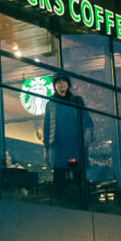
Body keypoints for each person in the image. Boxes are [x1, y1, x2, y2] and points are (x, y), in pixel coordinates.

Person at [42, 74, 89, 203]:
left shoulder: (77, 100)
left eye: (64, 82)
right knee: (59, 176)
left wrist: (86, 138)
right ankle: (60, 202)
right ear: (54, 86)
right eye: (58, 83)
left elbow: (87, 121)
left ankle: (81, 201)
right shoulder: (50, 104)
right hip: (58, 146)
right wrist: (46, 147)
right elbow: (47, 126)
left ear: (68, 84)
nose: (61, 84)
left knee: (78, 175)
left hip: (75, 145)